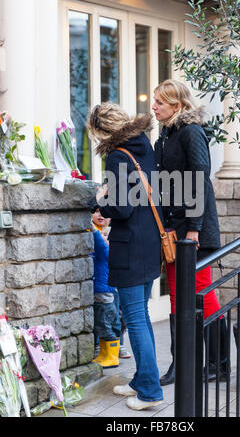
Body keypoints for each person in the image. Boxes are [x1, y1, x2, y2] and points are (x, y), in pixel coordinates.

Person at [87, 102, 164, 411]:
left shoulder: (118, 155)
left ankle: (149, 390)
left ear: (103, 131)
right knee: (141, 315)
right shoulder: (143, 144)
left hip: (130, 247)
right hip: (149, 243)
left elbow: (122, 207)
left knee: (135, 317)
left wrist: (100, 201)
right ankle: (141, 379)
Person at [153, 79, 228, 386]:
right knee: (175, 298)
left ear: (178, 106)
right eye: (155, 101)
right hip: (173, 229)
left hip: (193, 230)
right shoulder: (166, 134)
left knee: (201, 292)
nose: (154, 106)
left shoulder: (191, 132)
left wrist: (194, 230)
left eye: (159, 102)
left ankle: (218, 364)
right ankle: (181, 364)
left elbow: (199, 180)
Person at [90, 206, 122, 368]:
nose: (105, 238)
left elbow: (102, 248)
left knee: (105, 324)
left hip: (105, 292)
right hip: (99, 291)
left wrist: (94, 231)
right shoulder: (99, 246)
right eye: (104, 235)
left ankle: (112, 356)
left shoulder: (107, 247)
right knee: (100, 325)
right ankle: (104, 353)